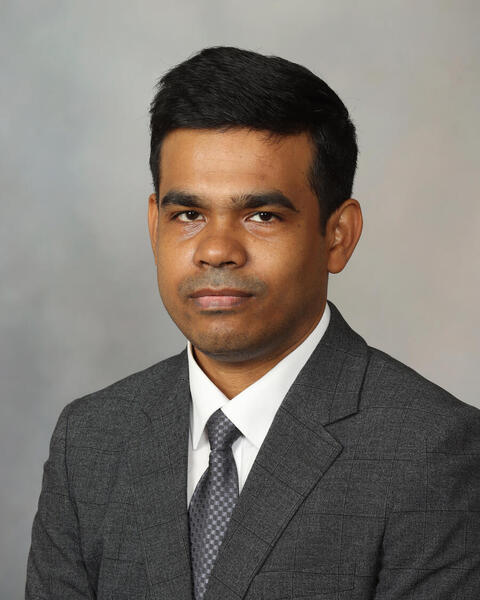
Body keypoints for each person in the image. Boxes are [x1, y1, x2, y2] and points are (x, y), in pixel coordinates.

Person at [25, 46, 480, 600]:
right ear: (154, 225)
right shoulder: (90, 439)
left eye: (262, 215)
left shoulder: (434, 451)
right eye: (188, 214)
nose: (217, 250)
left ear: (338, 236)